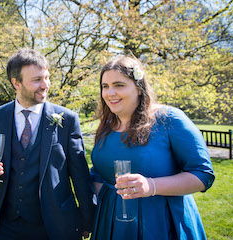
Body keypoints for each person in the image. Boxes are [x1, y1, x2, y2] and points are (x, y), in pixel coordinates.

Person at [90, 55, 215, 240]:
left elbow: (202, 174)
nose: (110, 93)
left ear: (139, 88)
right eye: (105, 86)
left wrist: (151, 186)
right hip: (112, 221)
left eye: (119, 85)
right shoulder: (106, 126)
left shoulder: (169, 119)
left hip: (160, 221)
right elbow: (99, 173)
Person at [0, 48, 95, 240]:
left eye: (47, 77)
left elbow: (80, 175)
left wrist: (87, 219)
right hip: (5, 224)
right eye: (37, 80)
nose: (45, 85)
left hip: (53, 226)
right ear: (16, 83)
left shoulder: (67, 119)